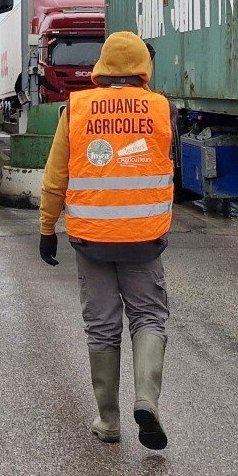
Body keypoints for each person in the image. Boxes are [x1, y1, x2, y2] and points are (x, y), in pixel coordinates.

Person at [38, 31, 173, 450]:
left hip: (92, 238)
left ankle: (109, 420)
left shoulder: (76, 109)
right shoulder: (161, 108)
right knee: (148, 317)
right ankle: (146, 400)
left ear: (103, 65)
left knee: (101, 325)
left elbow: (56, 177)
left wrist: (47, 229)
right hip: (143, 238)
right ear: (143, 66)